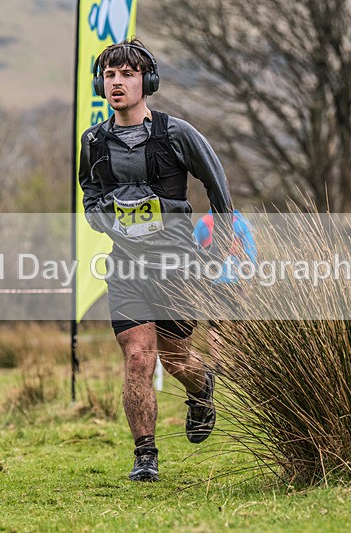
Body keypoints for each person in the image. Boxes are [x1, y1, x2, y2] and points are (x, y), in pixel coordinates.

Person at [79, 38, 234, 482]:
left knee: (175, 357)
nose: (117, 82)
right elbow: (89, 195)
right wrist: (103, 219)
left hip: (177, 264)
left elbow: (217, 185)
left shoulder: (177, 134)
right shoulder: (93, 141)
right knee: (137, 358)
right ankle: (145, 455)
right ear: (100, 84)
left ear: (147, 81)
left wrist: (224, 245)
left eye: (127, 74)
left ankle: (201, 388)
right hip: (126, 265)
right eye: (110, 75)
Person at [193, 209, 257, 358]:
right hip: (237, 280)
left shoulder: (204, 221)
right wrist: (249, 280)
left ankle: (218, 362)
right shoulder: (241, 222)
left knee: (215, 325)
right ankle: (241, 359)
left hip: (213, 280)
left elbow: (194, 250)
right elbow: (250, 253)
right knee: (239, 322)